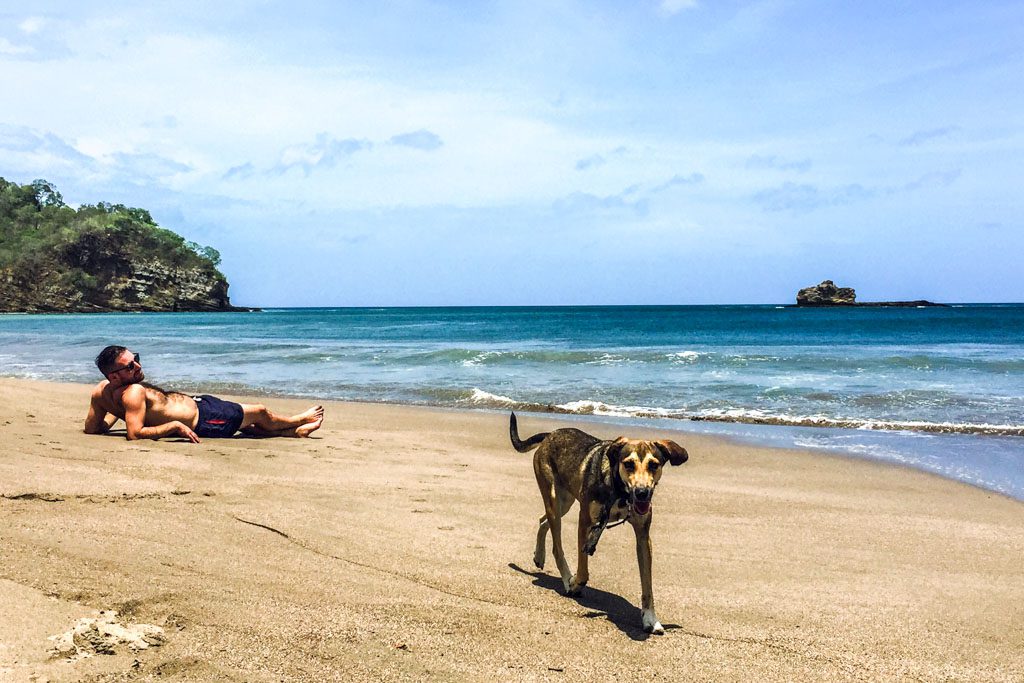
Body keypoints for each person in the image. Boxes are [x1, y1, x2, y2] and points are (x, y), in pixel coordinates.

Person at [84, 345, 324, 442]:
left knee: (247, 426)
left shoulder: (102, 392)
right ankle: (298, 420)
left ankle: (294, 433)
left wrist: (119, 413)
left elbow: (93, 428)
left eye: (135, 359)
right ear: (114, 376)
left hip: (202, 404)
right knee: (260, 412)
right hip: (205, 419)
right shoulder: (133, 392)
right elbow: (134, 435)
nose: (137, 366)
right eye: (129, 367)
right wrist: (173, 426)